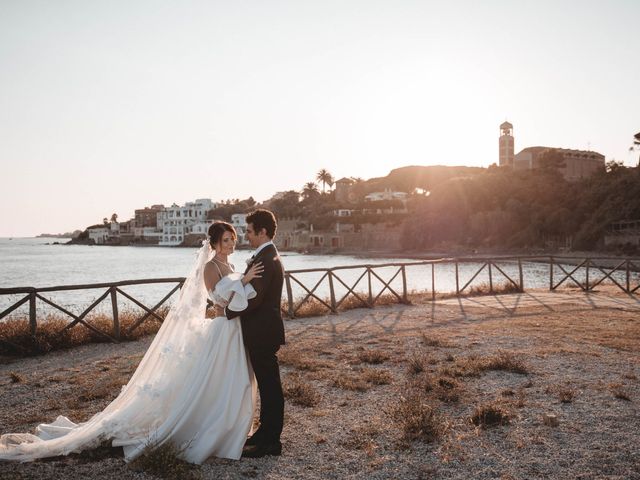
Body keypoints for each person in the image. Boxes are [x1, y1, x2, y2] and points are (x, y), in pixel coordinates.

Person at [0, 221, 263, 463]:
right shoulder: (211, 267)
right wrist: (244, 283)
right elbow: (218, 298)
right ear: (215, 242)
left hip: (233, 329)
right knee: (214, 379)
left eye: (234, 239)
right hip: (221, 327)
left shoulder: (230, 266)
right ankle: (206, 427)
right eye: (227, 240)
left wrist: (243, 283)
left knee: (231, 380)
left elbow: (235, 295)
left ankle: (229, 426)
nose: (231, 244)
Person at [218, 209, 285, 458]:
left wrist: (225, 311)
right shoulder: (265, 256)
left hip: (263, 332)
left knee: (270, 388)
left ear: (262, 231)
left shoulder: (266, 259)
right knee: (267, 386)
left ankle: (270, 442)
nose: (245, 235)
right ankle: (264, 435)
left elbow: (253, 299)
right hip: (262, 331)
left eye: (248, 231)